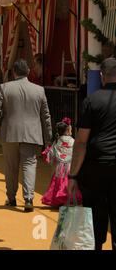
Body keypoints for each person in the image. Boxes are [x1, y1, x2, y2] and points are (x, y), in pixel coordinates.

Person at [0, 58, 52, 212]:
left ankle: (11, 198)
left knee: (11, 166)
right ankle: (29, 198)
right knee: (29, 164)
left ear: (14, 72)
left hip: (9, 131)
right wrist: (48, 137)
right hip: (32, 133)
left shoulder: (5, 88)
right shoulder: (39, 90)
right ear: (28, 72)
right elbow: (46, 116)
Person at [68, 58, 116, 250]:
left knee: (95, 214)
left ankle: (96, 245)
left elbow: (80, 142)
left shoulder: (92, 100)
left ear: (102, 76)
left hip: (95, 167)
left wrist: (72, 175)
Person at [42, 118, 82, 207]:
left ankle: (59, 200)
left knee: (58, 182)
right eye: (71, 129)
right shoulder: (73, 141)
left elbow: (51, 154)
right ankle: (69, 199)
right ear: (68, 130)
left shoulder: (57, 141)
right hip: (70, 166)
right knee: (69, 181)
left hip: (59, 167)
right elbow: (77, 152)